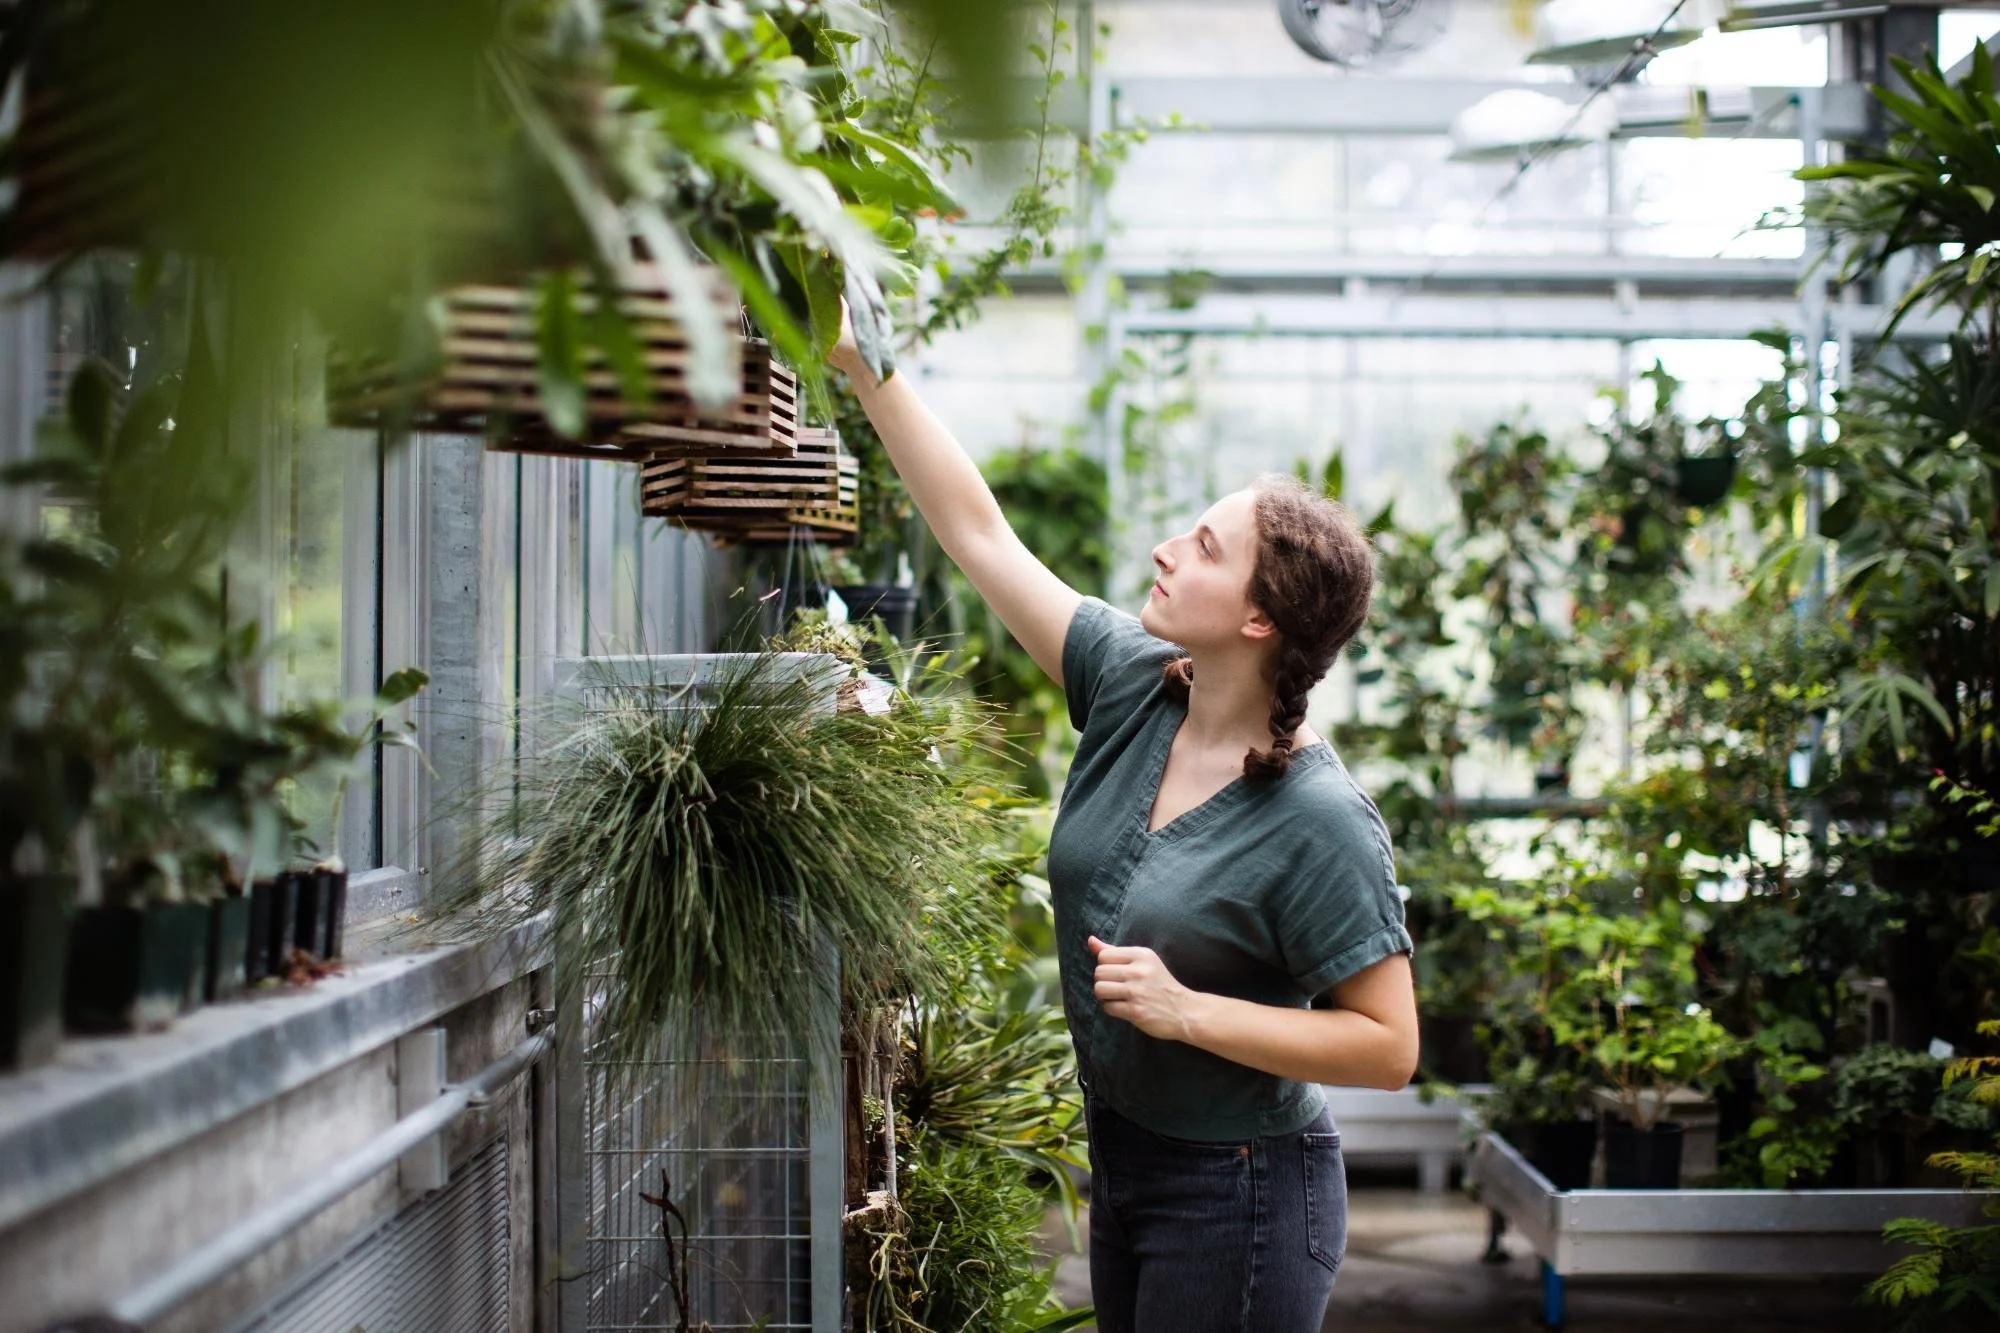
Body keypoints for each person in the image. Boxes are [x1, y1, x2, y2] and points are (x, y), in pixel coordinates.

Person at [829, 315, 1419, 1333]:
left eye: (1199, 547)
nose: (1162, 548)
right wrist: (856, 355)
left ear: (1257, 619)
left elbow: (1387, 1046)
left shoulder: (1315, 818)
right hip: (1127, 1157)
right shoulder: (1130, 684)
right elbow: (977, 532)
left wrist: (1188, 1011)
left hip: (1242, 1196)